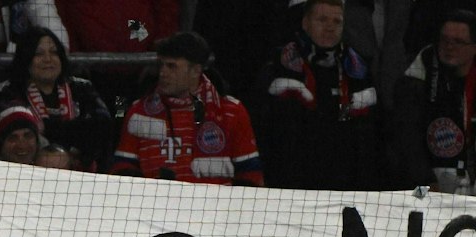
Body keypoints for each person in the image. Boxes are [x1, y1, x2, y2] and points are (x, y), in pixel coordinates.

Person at [109, 32, 266, 185]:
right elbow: (122, 171)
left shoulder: (232, 112)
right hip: (154, 208)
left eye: (172, 66)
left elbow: (250, 176)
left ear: (196, 70)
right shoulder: (139, 112)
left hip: (215, 209)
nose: (163, 73)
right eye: (161, 65)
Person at [257, 0, 382, 189]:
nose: (330, 27)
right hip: (289, 189)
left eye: (337, 21)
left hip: (345, 190)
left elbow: (372, 142)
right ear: (305, 23)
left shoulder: (358, 72)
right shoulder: (277, 68)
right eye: (322, 20)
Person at [0, 26, 114, 170]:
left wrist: (47, 128)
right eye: (38, 54)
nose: (48, 59)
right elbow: (21, 137)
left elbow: (103, 125)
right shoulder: (9, 91)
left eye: (54, 52)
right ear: (26, 58)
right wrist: (79, 132)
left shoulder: (82, 87)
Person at [389, 8, 476, 191]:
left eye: (458, 42)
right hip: (425, 186)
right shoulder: (418, 75)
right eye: (444, 40)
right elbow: (407, 137)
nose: (449, 46)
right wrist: (425, 181)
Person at [51, 0, 176, 53]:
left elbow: (166, 9)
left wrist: (159, 51)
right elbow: (64, 14)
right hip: (91, 67)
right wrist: (74, 53)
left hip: (143, 67)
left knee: (124, 106)